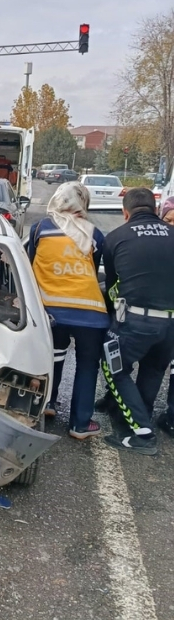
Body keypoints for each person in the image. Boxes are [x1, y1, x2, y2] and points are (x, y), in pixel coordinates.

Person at [25, 182, 107, 439]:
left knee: (53, 357)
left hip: (52, 311)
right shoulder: (94, 233)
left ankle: (47, 405)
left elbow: (28, 263)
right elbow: (93, 270)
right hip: (90, 312)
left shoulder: (40, 229)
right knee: (87, 365)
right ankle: (80, 424)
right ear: (83, 203)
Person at [100, 187, 174, 454]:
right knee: (153, 370)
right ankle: (130, 413)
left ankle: (143, 433)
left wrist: (112, 318)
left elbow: (112, 284)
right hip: (170, 323)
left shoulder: (117, 237)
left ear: (125, 212)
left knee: (113, 368)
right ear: (156, 210)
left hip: (135, 320)